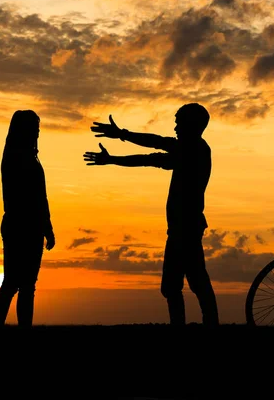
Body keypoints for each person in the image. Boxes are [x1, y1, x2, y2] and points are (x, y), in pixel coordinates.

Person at [83, 103, 219, 327]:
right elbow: (156, 142)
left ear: (192, 125)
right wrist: (121, 136)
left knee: (182, 284)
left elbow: (151, 156)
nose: (175, 126)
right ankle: (206, 325)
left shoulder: (193, 150)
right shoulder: (192, 147)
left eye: (179, 121)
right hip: (184, 226)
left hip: (185, 227)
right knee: (192, 282)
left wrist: (115, 155)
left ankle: (199, 325)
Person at [0, 110, 55, 327]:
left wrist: (47, 228)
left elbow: (41, 198)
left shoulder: (24, 156)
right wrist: (46, 227)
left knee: (26, 285)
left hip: (30, 226)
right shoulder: (18, 158)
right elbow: (36, 197)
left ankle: (21, 331)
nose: (37, 133)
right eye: (34, 129)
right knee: (14, 283)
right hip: (21, 226)